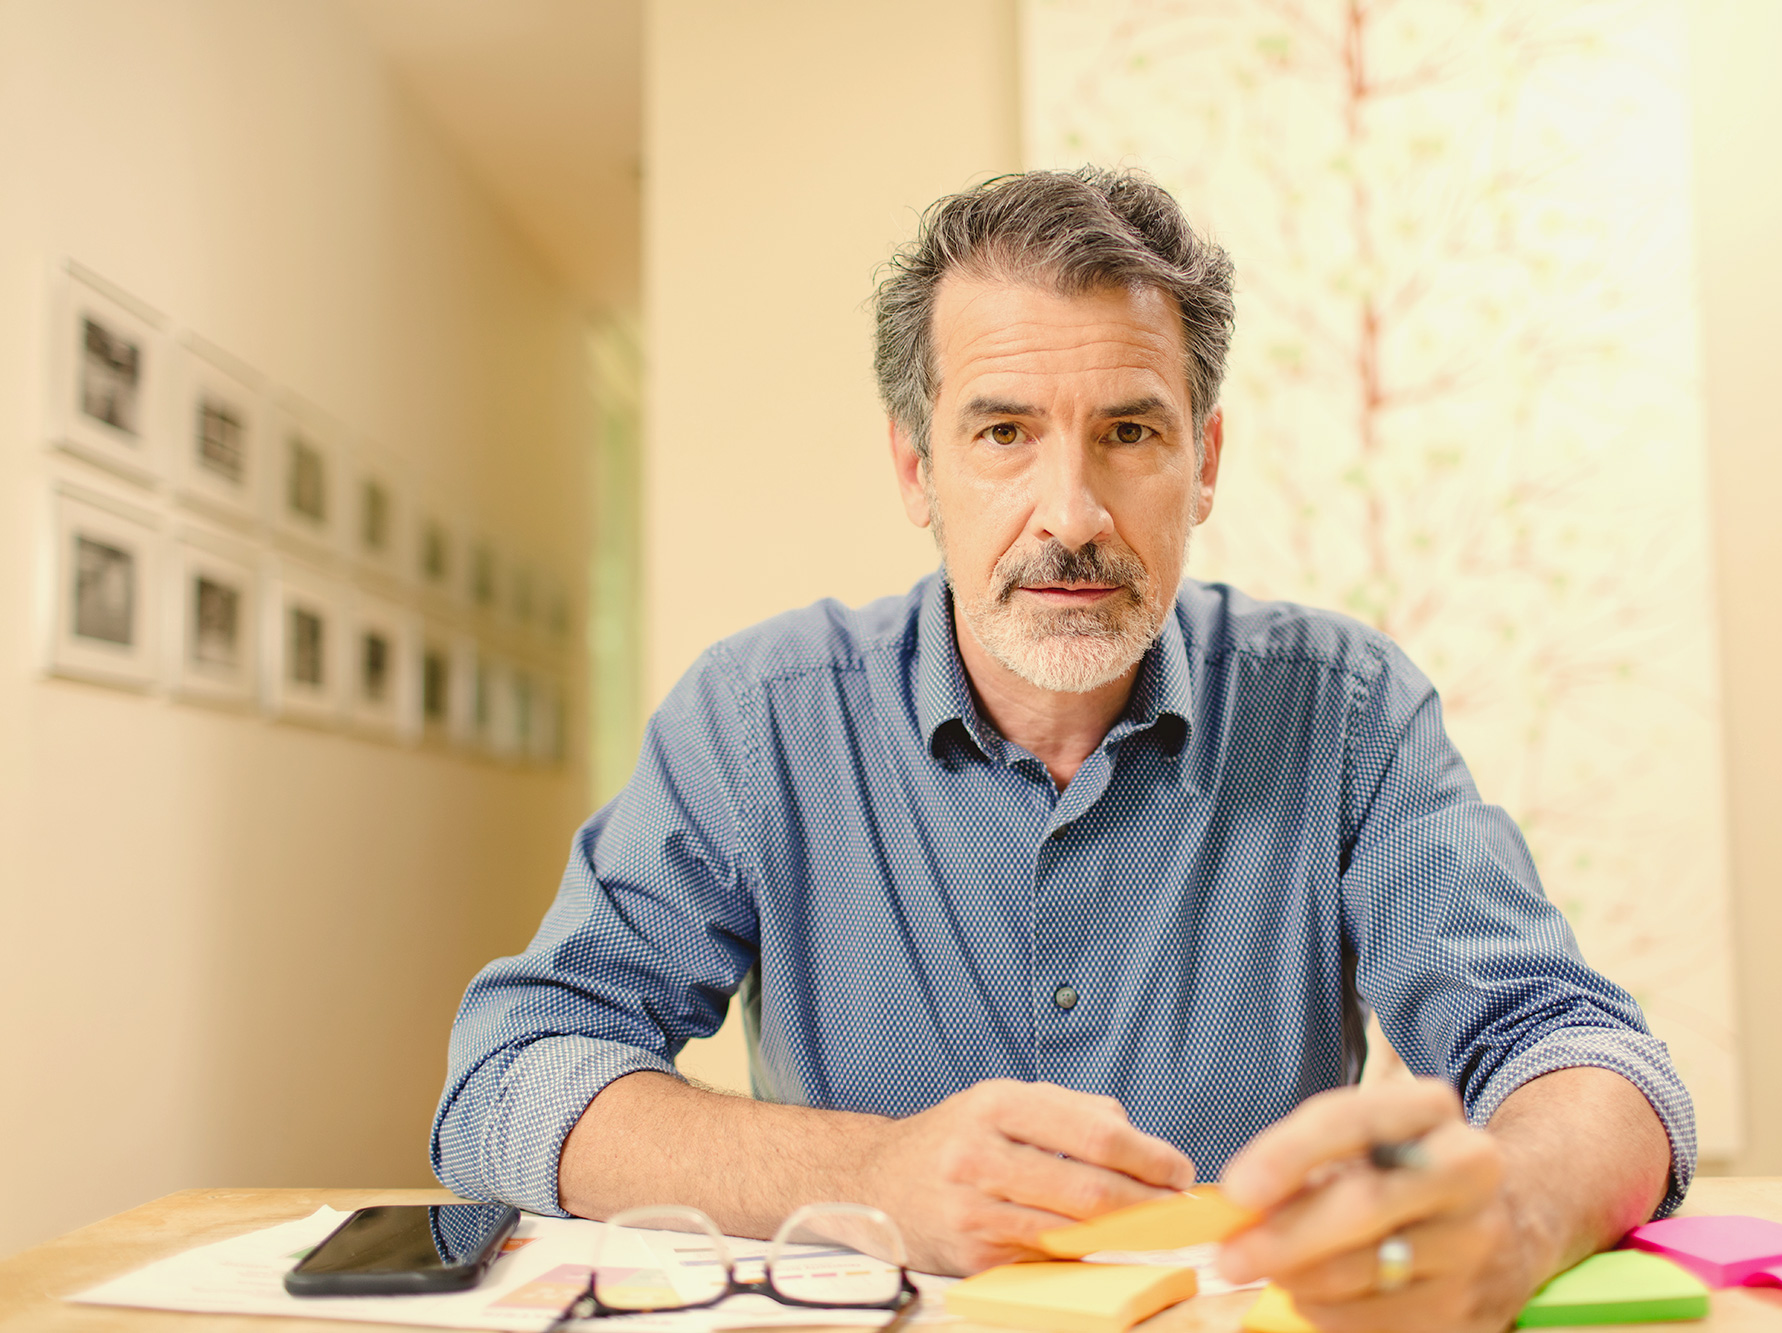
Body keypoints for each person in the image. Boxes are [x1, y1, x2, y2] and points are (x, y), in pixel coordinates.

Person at [433, 167, 1694, 1331]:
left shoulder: (1346, 708)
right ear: (913, 465)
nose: (1072, 516)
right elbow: (512, 1075)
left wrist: (1513, 1214)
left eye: (1130, 434)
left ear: (1203, 460)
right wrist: (869, 1172)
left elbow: (1578, 1051)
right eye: (1001, 433)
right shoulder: (757, 717)